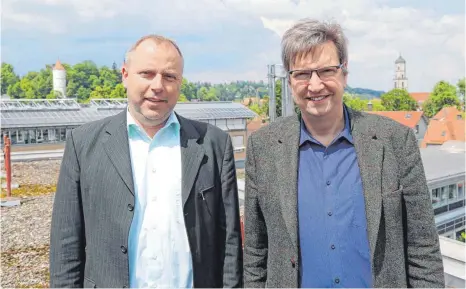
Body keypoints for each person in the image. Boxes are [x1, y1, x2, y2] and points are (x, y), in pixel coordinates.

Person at [243, 18, 444, 288]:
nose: (315, 85)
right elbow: (256, 253)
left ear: (344, 74)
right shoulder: (263, 148)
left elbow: (423, 248)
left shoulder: (396, 141)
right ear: (290, 81)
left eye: (326, 70)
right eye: (302, 73)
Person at [49, 35, 243, 288]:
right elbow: (66, 244)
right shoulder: (84, 144)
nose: (158, 85)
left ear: (180, 82)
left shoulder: (213, 144)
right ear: (125, 75)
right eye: (147, 73)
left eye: (169, 76)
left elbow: (229, 240)